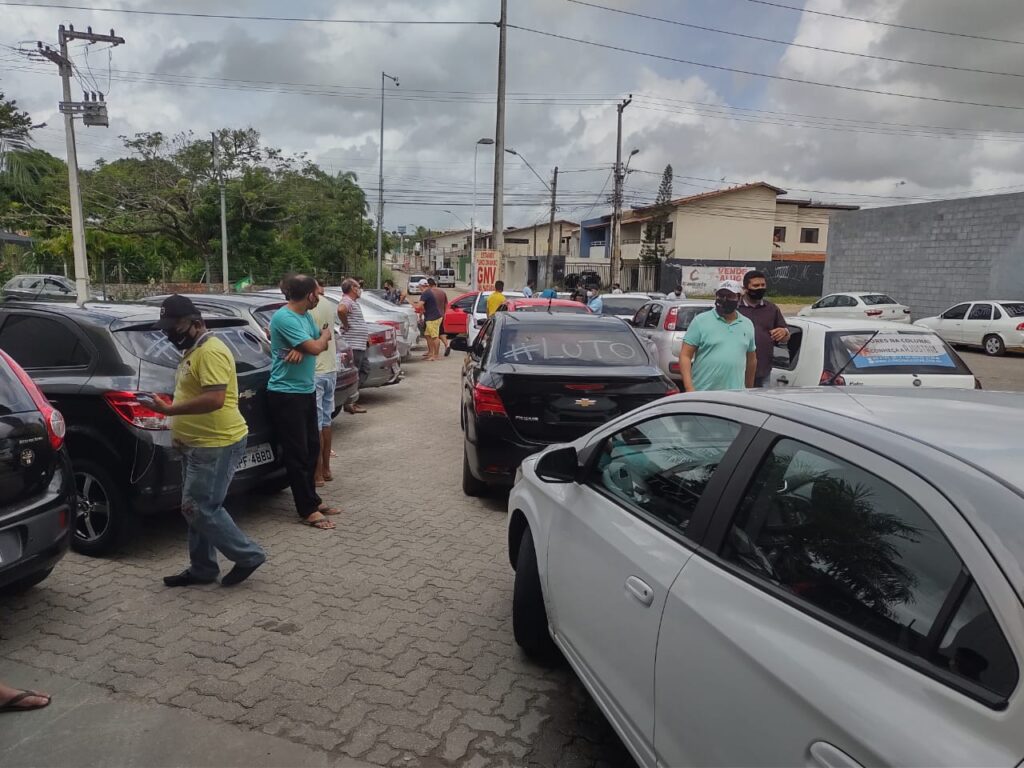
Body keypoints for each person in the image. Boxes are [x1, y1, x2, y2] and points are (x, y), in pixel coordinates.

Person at [148, 294, 267, 585]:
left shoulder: (211, 351)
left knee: (199, 508)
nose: (168, 333)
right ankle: (202, 568)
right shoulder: (195, 350)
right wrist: (179, 432)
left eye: (174, 326)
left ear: (196, 323)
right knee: (196, 508)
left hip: (216, 443)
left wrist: (169, 411)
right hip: (197, 443)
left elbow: (214, 399)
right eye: (165, 327)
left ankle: (248, 555)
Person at [267, 275, 339, 530]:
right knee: (297, 453)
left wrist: (305, 345)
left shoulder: (305, 316)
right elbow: (319, 342)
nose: (319, 297)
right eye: (316, 293)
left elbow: (314, 338)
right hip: (286, 394)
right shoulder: (284, 317)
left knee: (310, 448)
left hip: (305, 389)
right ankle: (306, 509)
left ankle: (313, 499)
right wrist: (313, 343)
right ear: (309, 295)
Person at [679, 280, 756, 392]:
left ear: (739, 298)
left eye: (730, 296)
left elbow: (751, 360)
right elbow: (685, 355)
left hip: (736, 395)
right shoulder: (700, 321)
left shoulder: (747, 324)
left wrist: (749, 391)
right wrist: (689, 388)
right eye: (721, 295)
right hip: (703, 392)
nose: (724, 299)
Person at [737, 269, 790, 388]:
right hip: (738, 370)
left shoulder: (771, 308)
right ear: (745, 288)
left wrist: (784, 332)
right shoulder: (736, 308)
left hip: (763, 370)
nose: (760, 288)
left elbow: (786, 336)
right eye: (756, 286)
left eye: (763, 285)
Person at [311, 279, 338, 486]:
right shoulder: (329, 304)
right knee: (327, 421)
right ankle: (327, 469)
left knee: (317, 423)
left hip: (315, 370)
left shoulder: (308, 309)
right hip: (330, 369)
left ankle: (318, 474)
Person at [337, 277, 370, 414]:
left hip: (359, 343)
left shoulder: (353, 302)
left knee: (365, 369)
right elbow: (341, 310)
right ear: (352, 288)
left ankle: (350, 399)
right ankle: (350, 402)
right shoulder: (347, 300)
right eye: (358, 286)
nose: (360, 289)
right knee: (356, 372)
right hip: (353, 344)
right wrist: (346, 325)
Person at [417, 277, 449, 361]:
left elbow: (420, 306)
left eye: (419, 286)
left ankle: (435, 355)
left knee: (434, 336)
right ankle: (433, 351)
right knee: (429, 334)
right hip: (437, 315)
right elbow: (446, 304)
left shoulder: (427, 293)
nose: (419, 288)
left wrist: (420, 314)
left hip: (433, 317)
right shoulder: (438, 292)